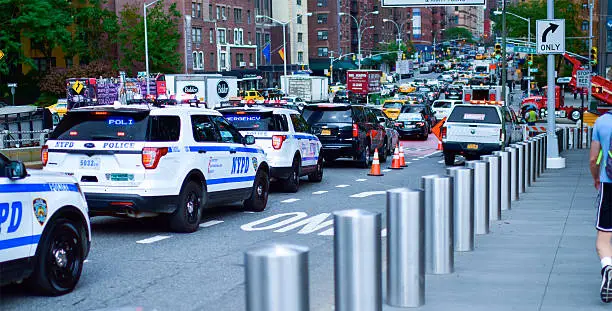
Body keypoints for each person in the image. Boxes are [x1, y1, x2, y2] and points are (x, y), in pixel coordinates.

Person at [590, 111, 612, 302]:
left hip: (609, 185)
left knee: (604, 238)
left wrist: (596, 178)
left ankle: (608, 267)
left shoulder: (602, 122)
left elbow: (593, 159)